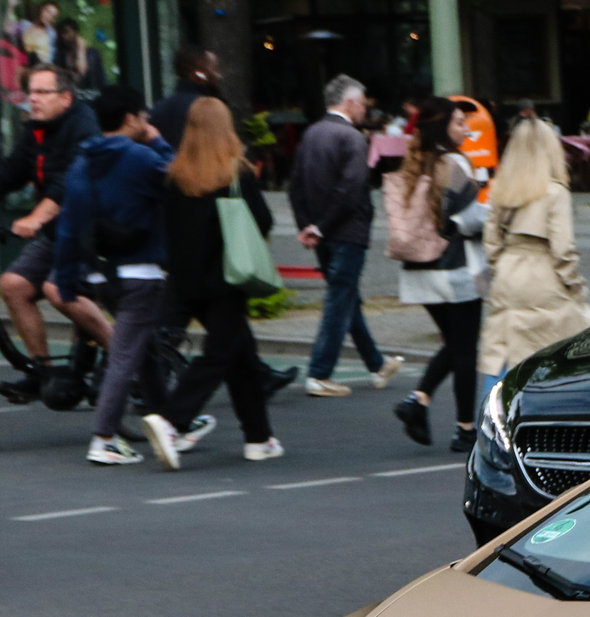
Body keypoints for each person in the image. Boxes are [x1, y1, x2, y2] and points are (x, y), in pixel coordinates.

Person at [0, 62, 109, 404]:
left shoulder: (83, 126)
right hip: (59, 231)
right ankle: (41, 371)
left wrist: (36, 217)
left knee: (59, 289)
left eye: (43, 92)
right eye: (30, 93)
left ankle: (125, 355)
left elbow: (69, 182)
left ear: (65, 96)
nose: (34, 100)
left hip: (92, 231)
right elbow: (9, 172)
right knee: (14, 285)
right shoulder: (36, 129)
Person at [143, 97, 279, 466]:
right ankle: (172, 420)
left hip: (187, 282)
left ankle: (259, 436)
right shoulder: (237, 173)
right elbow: (263, 221)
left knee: (241, 357)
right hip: (228, 279)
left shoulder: (175, 176)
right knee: (218, 356)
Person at [51, 84, 174, 465]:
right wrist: (161, 143)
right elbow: (180, 179)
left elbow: (68, 228)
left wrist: (67, 280)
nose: (147, 123)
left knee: (145, 349)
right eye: (143, 117)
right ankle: (103, 437)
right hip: (143, 271)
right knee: (124, 355)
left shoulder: (81, 163)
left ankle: (170, 420)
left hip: (102, 276)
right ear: (130, 118)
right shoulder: (140, 156)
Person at [289, 74, 404, 398]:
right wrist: (322, 225)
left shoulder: (311, 134)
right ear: (350, 102)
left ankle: (376, 363)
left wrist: (308, 226)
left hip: (321, 233)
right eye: (363, 103)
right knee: (340, 299)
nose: (365, 109)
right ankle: (320, 373)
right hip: (347, 231)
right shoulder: (352, 138)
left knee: (346, 296)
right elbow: (353, 189)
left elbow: (295, 186)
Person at [388, 96, 489, 450]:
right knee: (465, 351)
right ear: (443, 127)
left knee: (455, 343)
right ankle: (464, 430)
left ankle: (418, 401)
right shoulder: (457, 164)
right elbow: (473, 221)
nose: (466, 129)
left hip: (419, 273)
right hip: (455, 271)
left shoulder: (413, 164)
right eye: (460, 122)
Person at [478, 117, 590, 417]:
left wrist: (503, 264)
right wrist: (575, 285)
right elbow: (563, 249)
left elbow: (490, 240)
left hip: (508, 271)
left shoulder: (502, 188)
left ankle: (489, 421)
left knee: (503, 352)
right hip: (543, 274)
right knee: (563, 347)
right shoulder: (554, 192)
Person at [150, 45, 217, 148]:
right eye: (213, 70)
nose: (218, 75)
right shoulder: (208, 108)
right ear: (198, 74)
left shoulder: (158, 108)